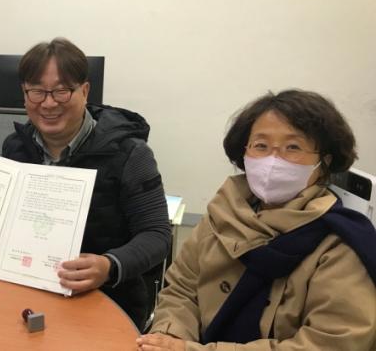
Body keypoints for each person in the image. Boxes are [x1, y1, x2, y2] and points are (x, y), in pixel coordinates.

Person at [0, 38, 171, 329]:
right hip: (26, 297)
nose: (48, 103)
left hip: (105, 303)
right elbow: (0, 225)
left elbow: (157, 235)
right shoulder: (16, 147)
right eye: (37, 91)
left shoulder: (129, 153)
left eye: (61, 91)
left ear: (84, 91)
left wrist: (109, 265)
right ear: (25, 95)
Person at [137, 89, 376, 350]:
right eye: (261, 146)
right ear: (245, 152)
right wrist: (169, 336)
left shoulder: (341, 243)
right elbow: (181, 289)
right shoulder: (223, 212)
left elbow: (331, 342)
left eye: (293, 147)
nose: (273, 160)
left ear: (324, 162)